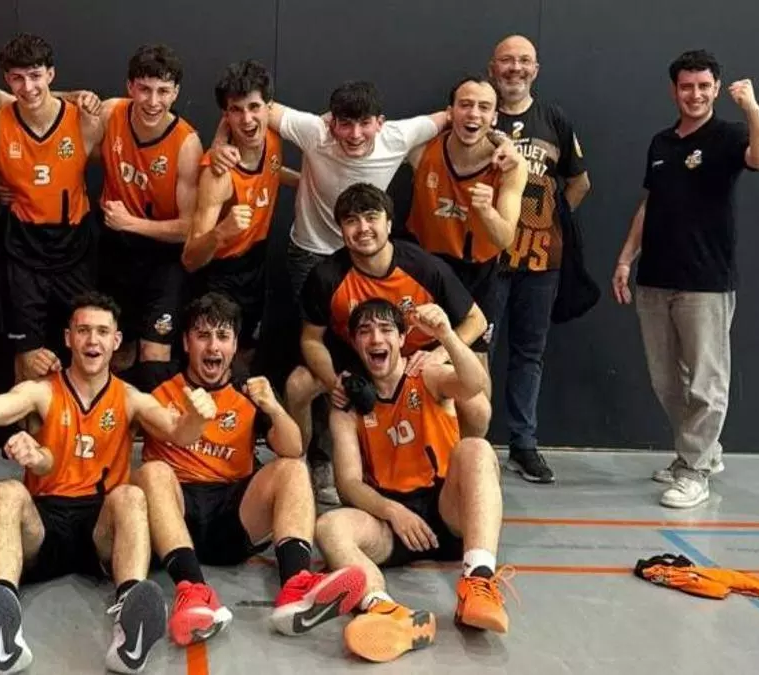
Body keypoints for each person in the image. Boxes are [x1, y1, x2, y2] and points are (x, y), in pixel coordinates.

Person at [0, 292, 217, 674]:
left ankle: (129, 624)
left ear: (116, 341)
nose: (92, 340)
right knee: (4, 491)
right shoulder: (41, 390)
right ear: (68, 337)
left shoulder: (129, 398)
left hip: (102, 529)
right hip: (44, 524)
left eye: (102, 332)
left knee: (131, 495)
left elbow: (177, 431)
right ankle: (5, 622)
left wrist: (197, 419)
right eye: (83, 330)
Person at [207, 80, 448, 502]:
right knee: (316, 359)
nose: (354, 135)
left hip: (369, 256)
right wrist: (218, 143)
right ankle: (317, 458)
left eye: (364, 124)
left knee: (372, 345)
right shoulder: (312, 131)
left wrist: (501, 144)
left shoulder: (399, 135)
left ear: (380, 123)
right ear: (330, 122)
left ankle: (377, 452)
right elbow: (251, 108)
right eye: (345, 124)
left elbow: (453, 116)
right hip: (313, 256)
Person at [133, 292, 366, 648]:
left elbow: (293, 448)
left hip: (232, 515)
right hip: (175, 513)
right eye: (203, 336)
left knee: (292, 469)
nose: (213, 346)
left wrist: (274, 407)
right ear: (186, 342)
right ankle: (193, 592)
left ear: (234, 345)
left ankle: (296, 586)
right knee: (152, 473)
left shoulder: (249, 389)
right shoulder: (157, 383)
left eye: (222, 336)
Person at [613, 50, 759, 509]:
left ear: (716, 88)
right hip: (655, 279)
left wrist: (752, 106)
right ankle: (703, 451)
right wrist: (626, 258)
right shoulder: (661, 143)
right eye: (687, 86)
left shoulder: (729, 135)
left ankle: (695, 470)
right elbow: (650, 204)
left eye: (704, 86)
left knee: (706, 383)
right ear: (675, 90)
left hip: (706, 282)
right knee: (667, 382)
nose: (695, 94)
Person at [314, 299, 509, 663]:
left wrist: (446, 336)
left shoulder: (426, 374)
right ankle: (387, 611)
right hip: (393, 522)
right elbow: (349, 484)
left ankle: (478, 579)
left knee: (477, 449)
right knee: (329, 527)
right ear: (355, 343)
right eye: (365, 332)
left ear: (402, 338)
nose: (376, 338)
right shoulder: (348, 402)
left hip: (446, 509)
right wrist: (393, 512)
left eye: (386, 329)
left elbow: (474, 384)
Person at [289, 183, 486, 482]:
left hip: (415, 359)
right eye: (352, 221)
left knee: (478, 406)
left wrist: (437, 355)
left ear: (389, 224)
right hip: (359, 360)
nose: (363, 228)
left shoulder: (424, 267)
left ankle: (465, 474)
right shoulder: (327, 276)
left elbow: (476, 320)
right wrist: (333, 382)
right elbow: (311, 339)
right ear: (341, 230)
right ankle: (299, 468)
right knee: (297, 385)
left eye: (371, 217)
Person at [487, 35, 592, 484]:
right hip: (489, 259)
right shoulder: (478, 113)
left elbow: (580, 182)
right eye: (507, 60)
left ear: (536, 69)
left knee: (529, 353)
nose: (516, 68)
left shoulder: (554, 118)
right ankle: (472, 442)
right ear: (492, 68)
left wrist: (549, 221)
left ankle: (523, 444)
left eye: (524, 61)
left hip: (540, 261)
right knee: (479, 349)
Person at [0, 33, 105, 383]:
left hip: (74, 245)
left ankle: (83, 414)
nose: (28, 87)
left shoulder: (84, 119)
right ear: (7, 80)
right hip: (23, 249)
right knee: (27, 353)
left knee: (87, 344)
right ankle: (25, 420)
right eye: (17, 78)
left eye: (36, 75)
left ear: (51, 74)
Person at [402, 76, 527, 385]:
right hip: (426, 264)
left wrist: (486, 211)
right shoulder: (422, 150)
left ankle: (477, 421)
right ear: (450, 112)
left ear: (495, 117)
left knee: (476, 359)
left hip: (477, 270)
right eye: (466, 105)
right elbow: (377, 138)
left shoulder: (509, 165)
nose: (474, 114)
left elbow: (505, 238)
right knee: (413, 354)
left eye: (484, 107)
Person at [92, 44, 203, 389]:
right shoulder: (111, 113)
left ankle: (157, 425)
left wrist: (131, 223)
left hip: (162, 258)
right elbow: (61, 138)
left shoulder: (186, 143)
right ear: (130, 87)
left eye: (163, 91)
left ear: (176, 93)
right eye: (145, 89)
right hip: (115, 249)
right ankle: (111, 420)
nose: (153, 101)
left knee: (155, 356)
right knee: (115, 349)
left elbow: (189, 228)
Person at [182, 59, 297, 367]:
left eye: (254, 107)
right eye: (236, 110)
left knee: (247, 352)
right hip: (221, 274)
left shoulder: (273, 136)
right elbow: (190, 259)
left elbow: (271, 170)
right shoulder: (218, 175)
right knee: (216, 356)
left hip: (256, 264)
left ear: (269, 108)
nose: (247, 119)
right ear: (226, 115)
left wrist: (304, 183)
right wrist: (221, 232)